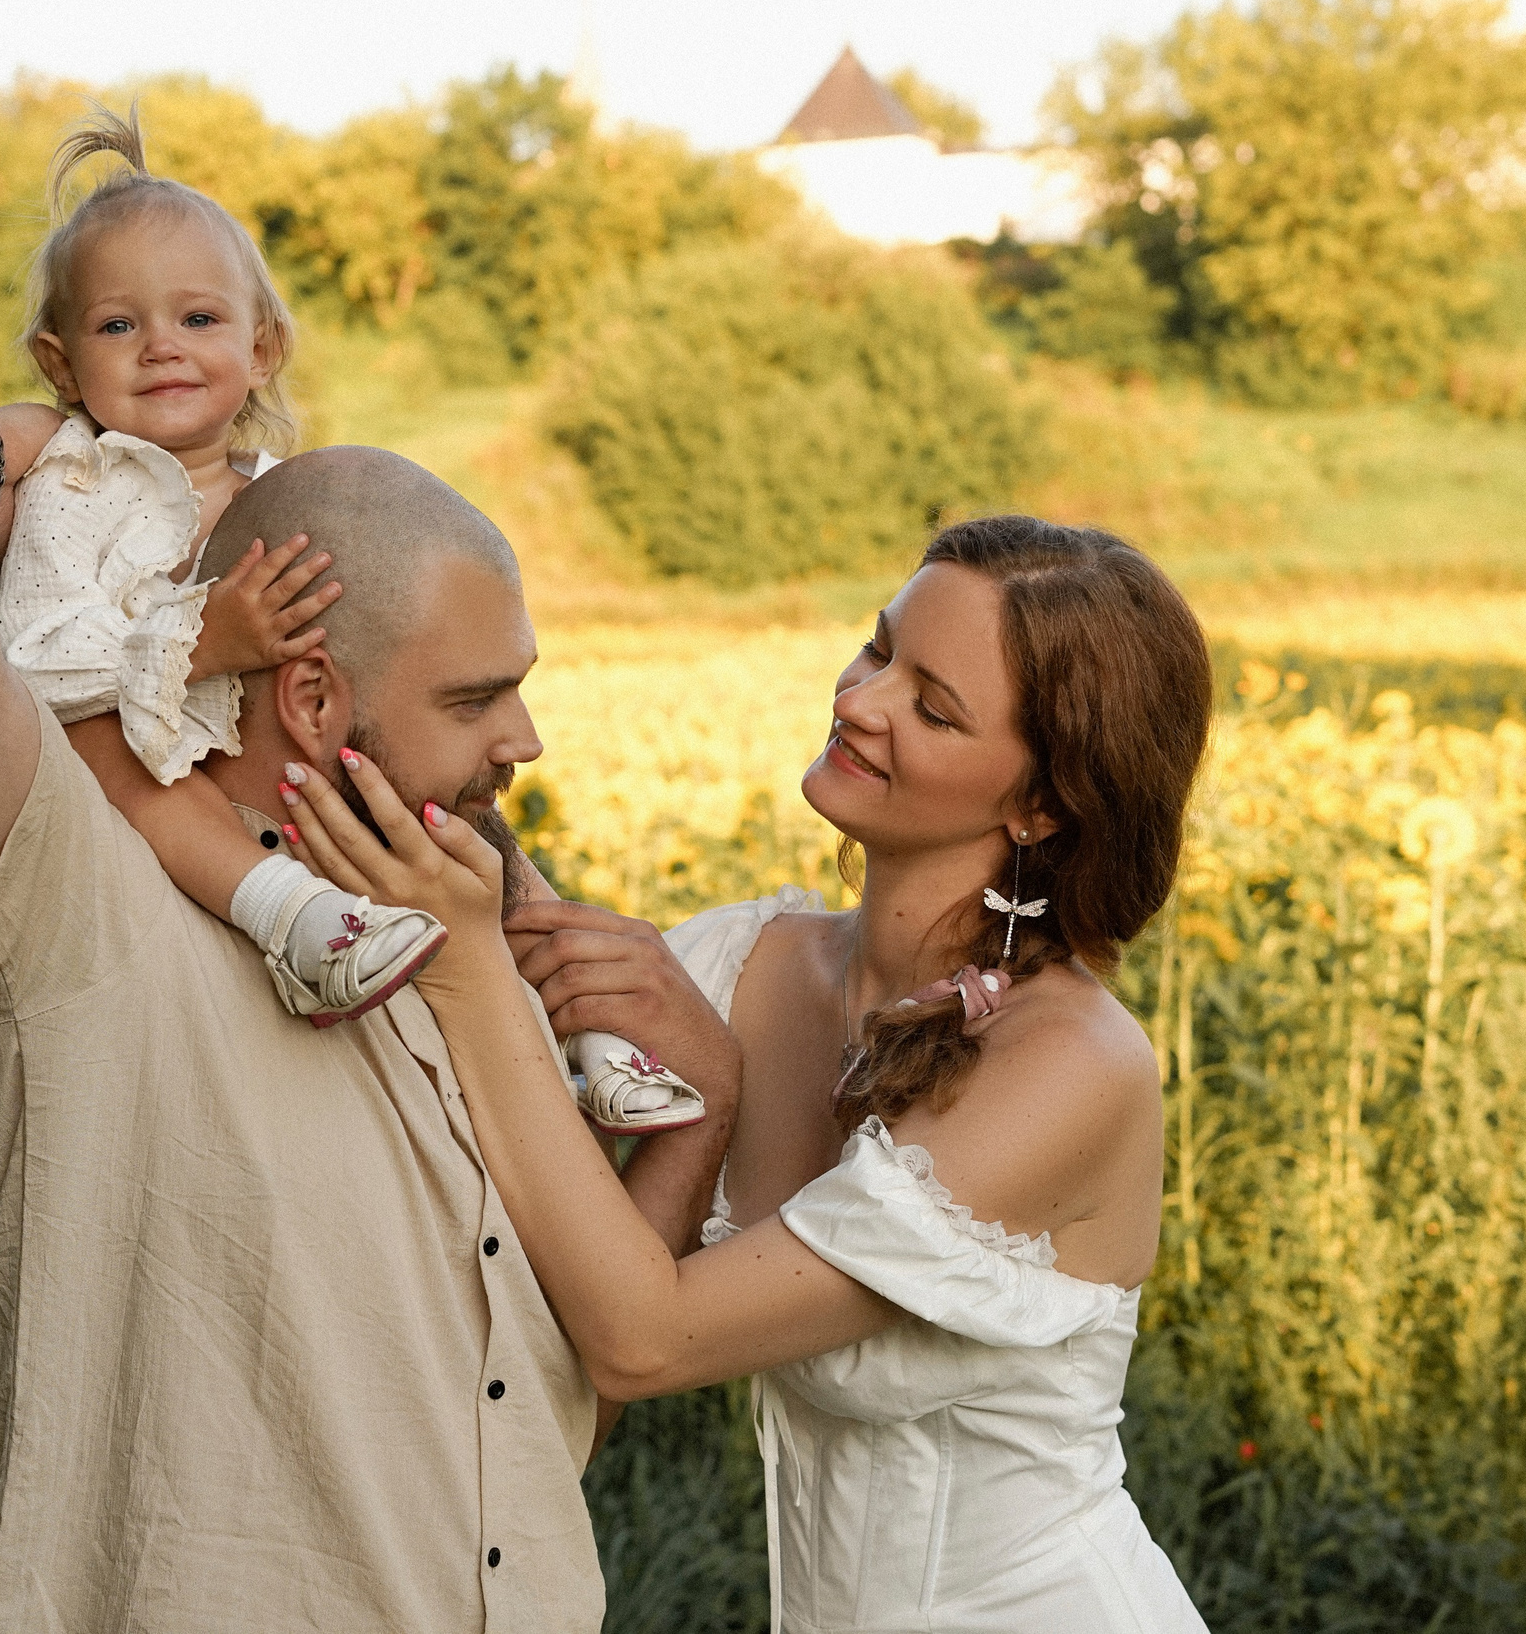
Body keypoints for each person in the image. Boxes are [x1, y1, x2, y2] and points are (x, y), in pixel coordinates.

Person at [0, 414, 741, 1630]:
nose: (523, 742)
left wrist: (697, 1120)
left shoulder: (459, 933)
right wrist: (32, 442)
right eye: (478, 698)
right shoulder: (80, 893)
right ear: (316, 696)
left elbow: (542, 1403)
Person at [277, 515, 1215, 1631]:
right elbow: (573, 1367)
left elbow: (645, 1337)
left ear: (1043, 804)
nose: (858, 702)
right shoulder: (741, 962)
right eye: (878, 650)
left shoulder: (1068, 1068)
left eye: (931, 705)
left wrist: (478, 969)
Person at [0, 107, 698, 1129]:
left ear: (263, 347)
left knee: (481, 839)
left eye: (197, 320)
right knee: (119, 762)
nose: (160, 351)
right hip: (154, 766)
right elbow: (34, 663)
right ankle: (292, 924)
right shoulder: (77, 495)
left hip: (300, 772)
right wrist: (203, 642)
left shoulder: (287, 491)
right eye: (116, 326)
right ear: (60, 366)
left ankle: (595, 1039)